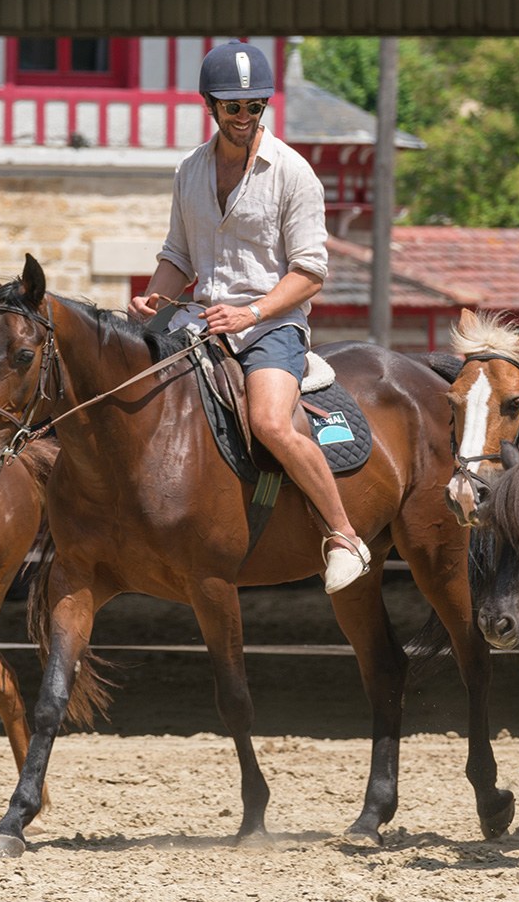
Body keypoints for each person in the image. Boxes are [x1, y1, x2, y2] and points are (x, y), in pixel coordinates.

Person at [129, 40, 371, 594]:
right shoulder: (189, 170)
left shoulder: (295, 173)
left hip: (271, 326)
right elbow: (178, 257)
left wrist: (250, 313)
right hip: (199, 321)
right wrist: (152, 301)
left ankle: (343, 535)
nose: (244, 116)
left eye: (254, 106)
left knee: (267, 421)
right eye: (233, 106)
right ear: (210, 106)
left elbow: (310, 273)